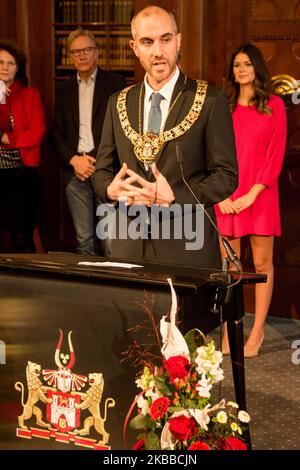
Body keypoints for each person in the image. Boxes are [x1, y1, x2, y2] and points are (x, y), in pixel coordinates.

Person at [93, 5, 238, 268]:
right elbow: (102, 171)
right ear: (134, 47)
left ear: (178, 41)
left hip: (187, 245)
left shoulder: (210, 100)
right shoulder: (118, 102)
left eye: (166, 39)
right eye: (147, 42)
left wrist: (175, 197)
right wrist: (110, 190)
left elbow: (226, 176)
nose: (158, 52)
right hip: (129, 243)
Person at [215, 44, 287, 357]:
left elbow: (275, 155)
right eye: (237, 65)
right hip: (228, 196)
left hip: (261, 195)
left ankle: (256, 333)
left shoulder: (274, 105)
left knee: (261, 264)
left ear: (257, 67)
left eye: (247, 64)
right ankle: (231, 331)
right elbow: (213, 153)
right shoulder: (222, 105)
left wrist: (252, 194)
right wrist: (225, 195)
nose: (242, 69)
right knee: (230, 266)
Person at [51, 30, 126, 256]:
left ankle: (114, 290)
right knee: (84, 242)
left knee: (111, 243)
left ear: (96, 52)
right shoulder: (64, 89)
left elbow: (121, 127)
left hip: (107, 170)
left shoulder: (115, 83)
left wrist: (92, 160)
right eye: (76, 51)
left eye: (86, 50)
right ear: (70, 56)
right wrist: (74, 160)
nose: (81, 55)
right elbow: (55, 130)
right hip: (76, 172)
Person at [0, 40, 45, 253]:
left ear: (18, 68)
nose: (5, 67)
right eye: (0, 62)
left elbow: (35, 134)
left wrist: (6, 139)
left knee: (22, 234)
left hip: (21, 175)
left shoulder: (30, 95)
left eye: (11, 63)